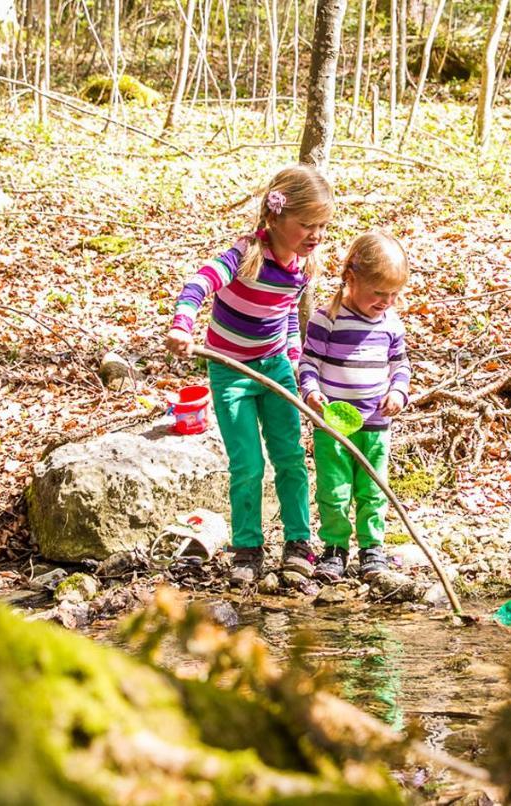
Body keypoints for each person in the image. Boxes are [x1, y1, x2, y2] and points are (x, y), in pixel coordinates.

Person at [165, 165, 332, 585]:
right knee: (248, 464)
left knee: (291, 456)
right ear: (276, 216)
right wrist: (183, 325)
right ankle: (248, 547)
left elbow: (287, 315)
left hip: (276, 369)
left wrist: (293, 356)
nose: (316, 235)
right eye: (307, 224)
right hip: (230, 371)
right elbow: (198, 285)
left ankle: (298, 542)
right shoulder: (243, 256)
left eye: (322, 225)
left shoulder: (302, 266)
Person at [298, 229, 412, 582]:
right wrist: (310, 391)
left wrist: (398, 393)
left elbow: (401, 365)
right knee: (334, 487)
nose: (387, 301)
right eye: (378, 293)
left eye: (394, 294)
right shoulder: (326, 319)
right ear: (351, 279)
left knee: (372, 487)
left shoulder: (391, 322)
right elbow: (308, 363)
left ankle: (371, 547)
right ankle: (334, 548)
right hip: (334, 423)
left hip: (376, 423)